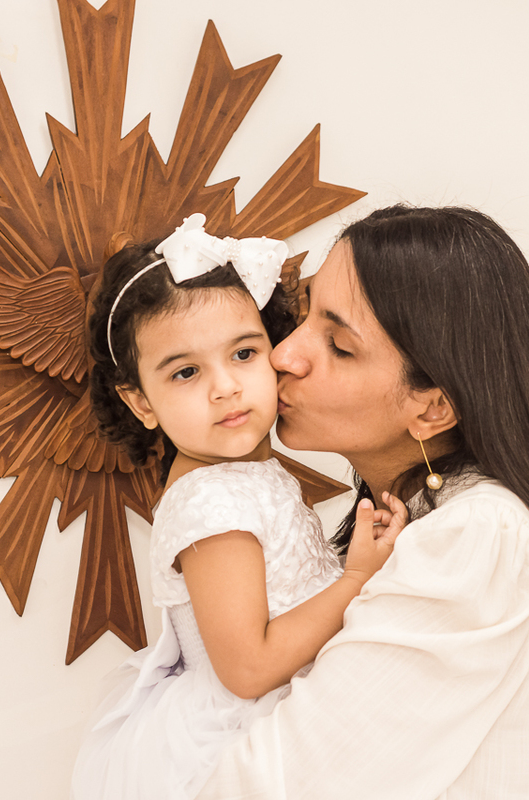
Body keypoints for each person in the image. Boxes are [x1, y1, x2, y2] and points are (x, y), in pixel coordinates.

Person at [195, 205, 529, 799]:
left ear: (431, 409)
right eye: (306, 311)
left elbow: (278, 786)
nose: (285, 354)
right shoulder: (408, 528)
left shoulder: (478, 537)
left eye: (339, 345)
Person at [72, 214, 408, 800]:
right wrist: (355, 579)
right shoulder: (210, 503)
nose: (224, 386)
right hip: (236, 740)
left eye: (244, 354)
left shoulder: (239, 478)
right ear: (140, 402)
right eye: (185, 372)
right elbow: (248, 668)